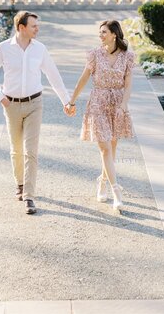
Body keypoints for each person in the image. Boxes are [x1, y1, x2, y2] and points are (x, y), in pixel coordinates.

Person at [0, 11, 73, 215]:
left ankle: (29, 196)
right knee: (16, 149)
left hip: (35, 104)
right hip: (11, 105)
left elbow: (53, 76)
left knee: (31, 150)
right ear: (21, 27)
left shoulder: (40, 49)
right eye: (33, 26)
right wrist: (1, 98)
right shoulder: (3, 48)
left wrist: (66, 101)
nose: (37, 29)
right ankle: (20, 184)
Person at [65, 20, 134, 212]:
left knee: (112, 147)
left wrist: (123, 105)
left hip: (117, 103)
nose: (100, 35)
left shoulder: (128, 57)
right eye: (100, 32)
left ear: (114, 34)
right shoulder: (94, 55)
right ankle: (116, 192)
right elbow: (83, 78)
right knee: (104, 148)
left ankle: (102, 180)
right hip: (98, 101)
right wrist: (71, 101)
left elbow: (128, 84)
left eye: (104, 32)